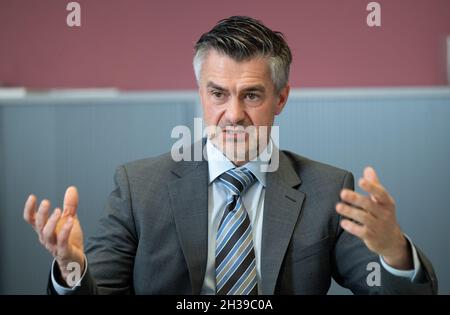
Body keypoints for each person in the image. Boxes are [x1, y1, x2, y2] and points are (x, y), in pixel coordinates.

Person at [23, 16, 437, 295]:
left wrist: (394, 252)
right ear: (201, 94)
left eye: (252, 95)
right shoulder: (139, 187)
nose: (233, 114)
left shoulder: (329, 189)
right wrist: (70, 267)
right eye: (218, 94)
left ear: (281, 99)